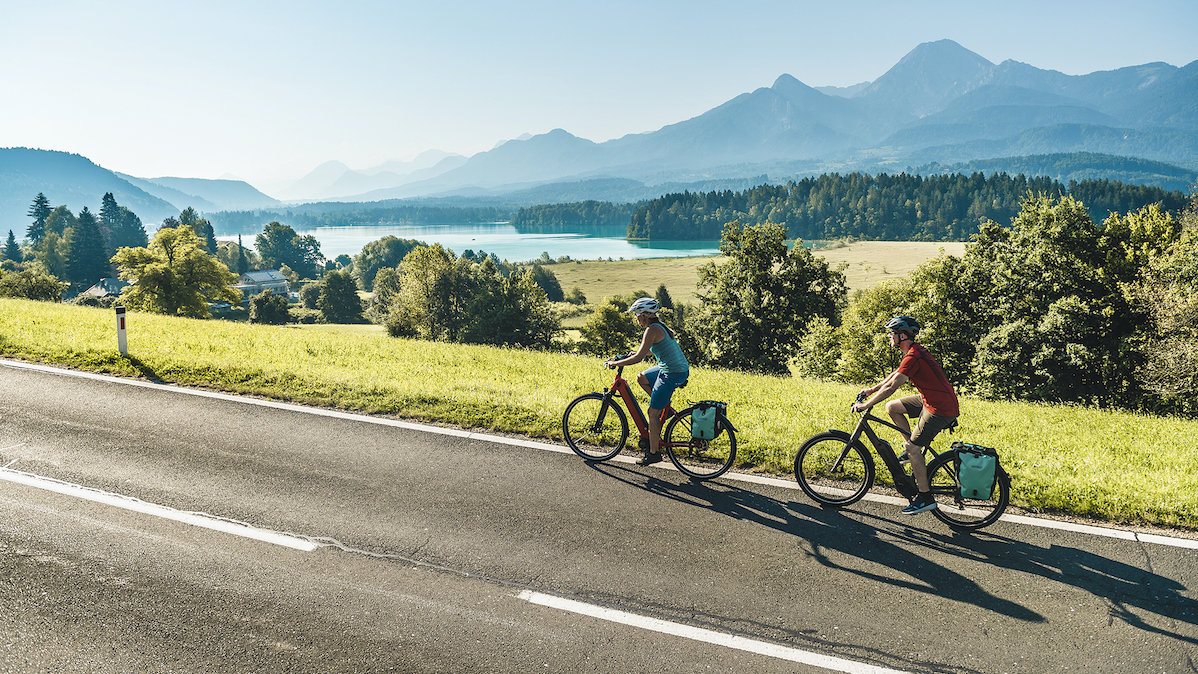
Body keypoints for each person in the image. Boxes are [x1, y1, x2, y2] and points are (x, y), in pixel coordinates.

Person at [852, 315, 959, 515]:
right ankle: (912, 453)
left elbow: (893, 387)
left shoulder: (913, 355)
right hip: (931, 400)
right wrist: (871, 390)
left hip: (940, 408)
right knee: (893, 407)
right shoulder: (912, 352)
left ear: (902, 335)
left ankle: (925, 497)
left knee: (912, 447)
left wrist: (866, 404)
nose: (889, 337)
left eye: (892, 333)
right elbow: (895, 374)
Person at [606, 297, 690, 466]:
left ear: (645, 316)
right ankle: (662, 405)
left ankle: (653, 454)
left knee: (652, 413)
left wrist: (615, 363)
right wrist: (635, 353)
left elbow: (638, 358)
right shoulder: (659, 327)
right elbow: (652, 350)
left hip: (672, 373)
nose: (636, 319)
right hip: (674, 368)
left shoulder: (651, 330)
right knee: (641, 378)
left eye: (637, 315)